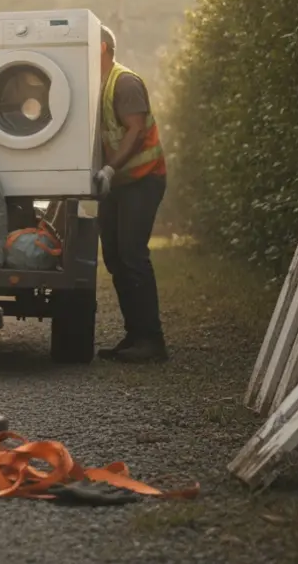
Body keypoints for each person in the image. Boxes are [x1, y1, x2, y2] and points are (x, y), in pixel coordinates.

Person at [92, 24, 168, 363]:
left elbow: (136, 131)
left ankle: (152, 340)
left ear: (103, 49)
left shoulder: (124, 83)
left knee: (132, 254)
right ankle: (135, 335)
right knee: (114, 255)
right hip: (120, 184)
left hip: (143, 179)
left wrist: (109, 169)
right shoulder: (100, 86)